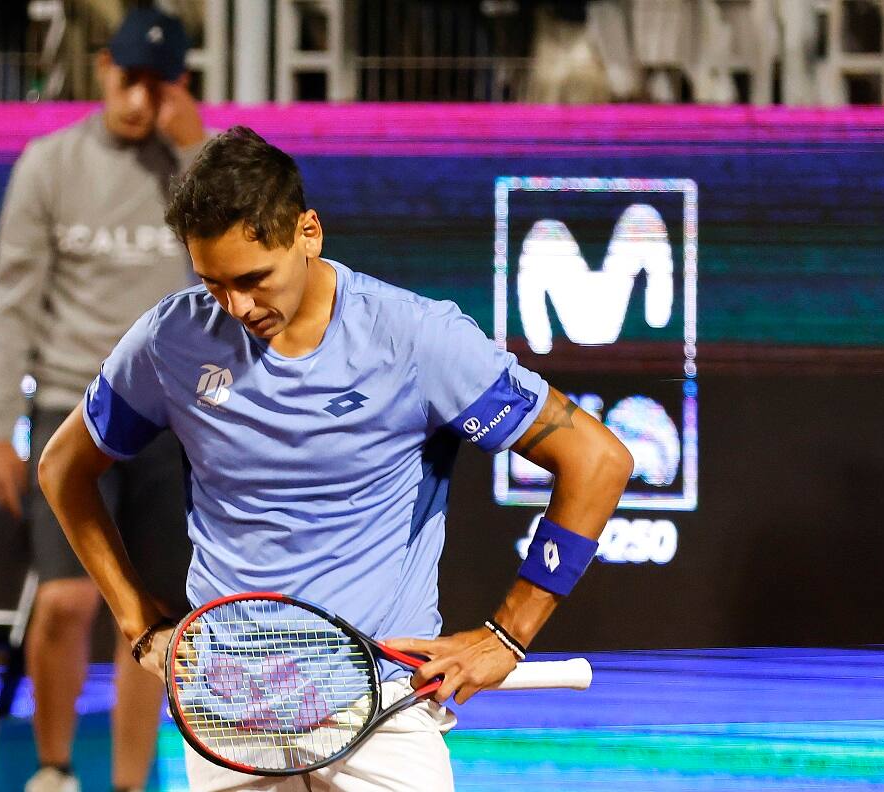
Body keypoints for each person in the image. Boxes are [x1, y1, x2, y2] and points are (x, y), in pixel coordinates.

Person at [37, 126, 633, 791]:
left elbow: (596, 458)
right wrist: (138, 623)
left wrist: (507, 634)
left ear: (308, 233)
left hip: (384, 709)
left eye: (252, 279)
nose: (236, 306)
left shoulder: (416, 339)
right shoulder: (170, 340)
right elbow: (63, 470)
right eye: (213, 284)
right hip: (230, 711)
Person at [0, 8, 206, 792]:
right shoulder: (49, 164)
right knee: (66, 601)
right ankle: (53, 770)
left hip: (170, 420)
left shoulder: (192, 169)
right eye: (126, 75)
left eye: (156, 81)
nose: (136, 96)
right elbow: (13, 301)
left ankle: (130, 785)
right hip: (73, 414)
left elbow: (255, 237)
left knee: (148, 621)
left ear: (177, 84)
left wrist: (196, 144)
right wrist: (0, 428)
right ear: (102, 66)